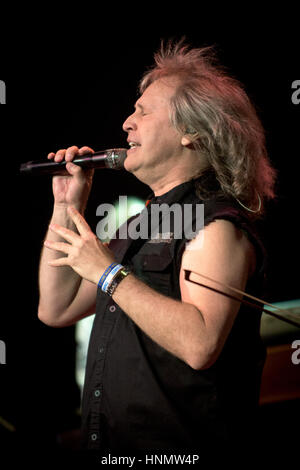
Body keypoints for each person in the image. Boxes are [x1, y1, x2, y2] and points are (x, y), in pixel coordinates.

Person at [38, 40, 276, 459]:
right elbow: (55, 308)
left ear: (191, 132)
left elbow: (200, 343)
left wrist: (108, 272)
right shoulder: (141, 225)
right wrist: (66, 204)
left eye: (143, 111)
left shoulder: (216, 225)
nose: (127, 123)